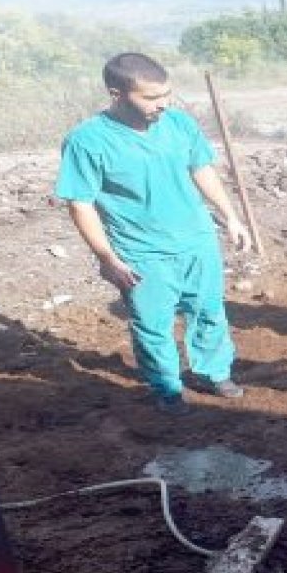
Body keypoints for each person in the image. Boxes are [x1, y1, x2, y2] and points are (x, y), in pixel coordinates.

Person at [55, 52, 252, 415]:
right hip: (140, 251)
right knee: (152, 324)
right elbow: (80, 204)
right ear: (117, 94)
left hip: (197, 239)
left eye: (166, 94)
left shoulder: (179, 123)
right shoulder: (87, 141)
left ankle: (214, 372)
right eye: (151, 97)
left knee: (209, 311)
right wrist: (107, 258)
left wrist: (231, 217)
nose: (163, 104)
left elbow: (201, 169)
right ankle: (167, 387)